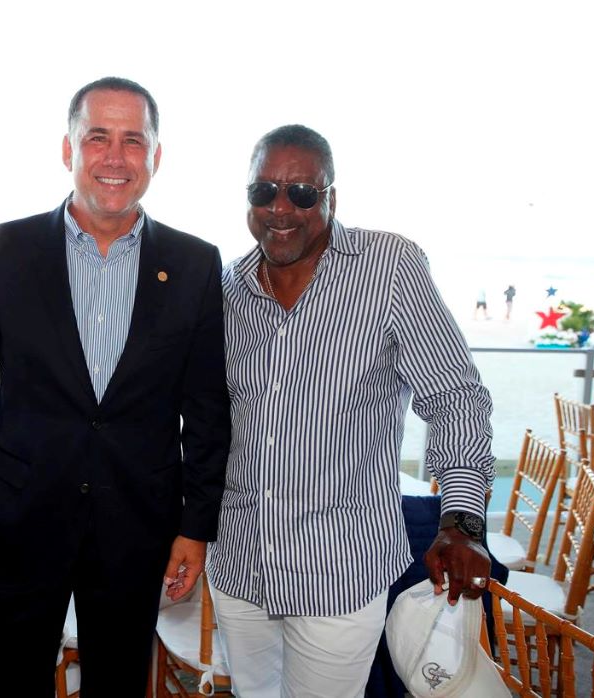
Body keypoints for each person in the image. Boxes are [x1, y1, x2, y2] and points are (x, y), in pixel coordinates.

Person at [0, 77, 230, 696]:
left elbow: (207, 410)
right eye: (98, 137)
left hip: (138, 523)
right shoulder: (4, 250)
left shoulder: (197, 264)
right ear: (68, 150)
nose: (115, 157)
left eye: (133, 140)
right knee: (13, 682)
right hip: (18, 521)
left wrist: (195, 525)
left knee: (120, 684)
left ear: (156, 156)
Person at [208, 124, 495, 697]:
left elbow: (454, 396)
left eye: (302, 193)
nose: (280, 208)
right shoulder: (228, 287)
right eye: (263, 192)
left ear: (332, 197)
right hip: (238, 564)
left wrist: (461, 521)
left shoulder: (390, 267)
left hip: (336, 572)